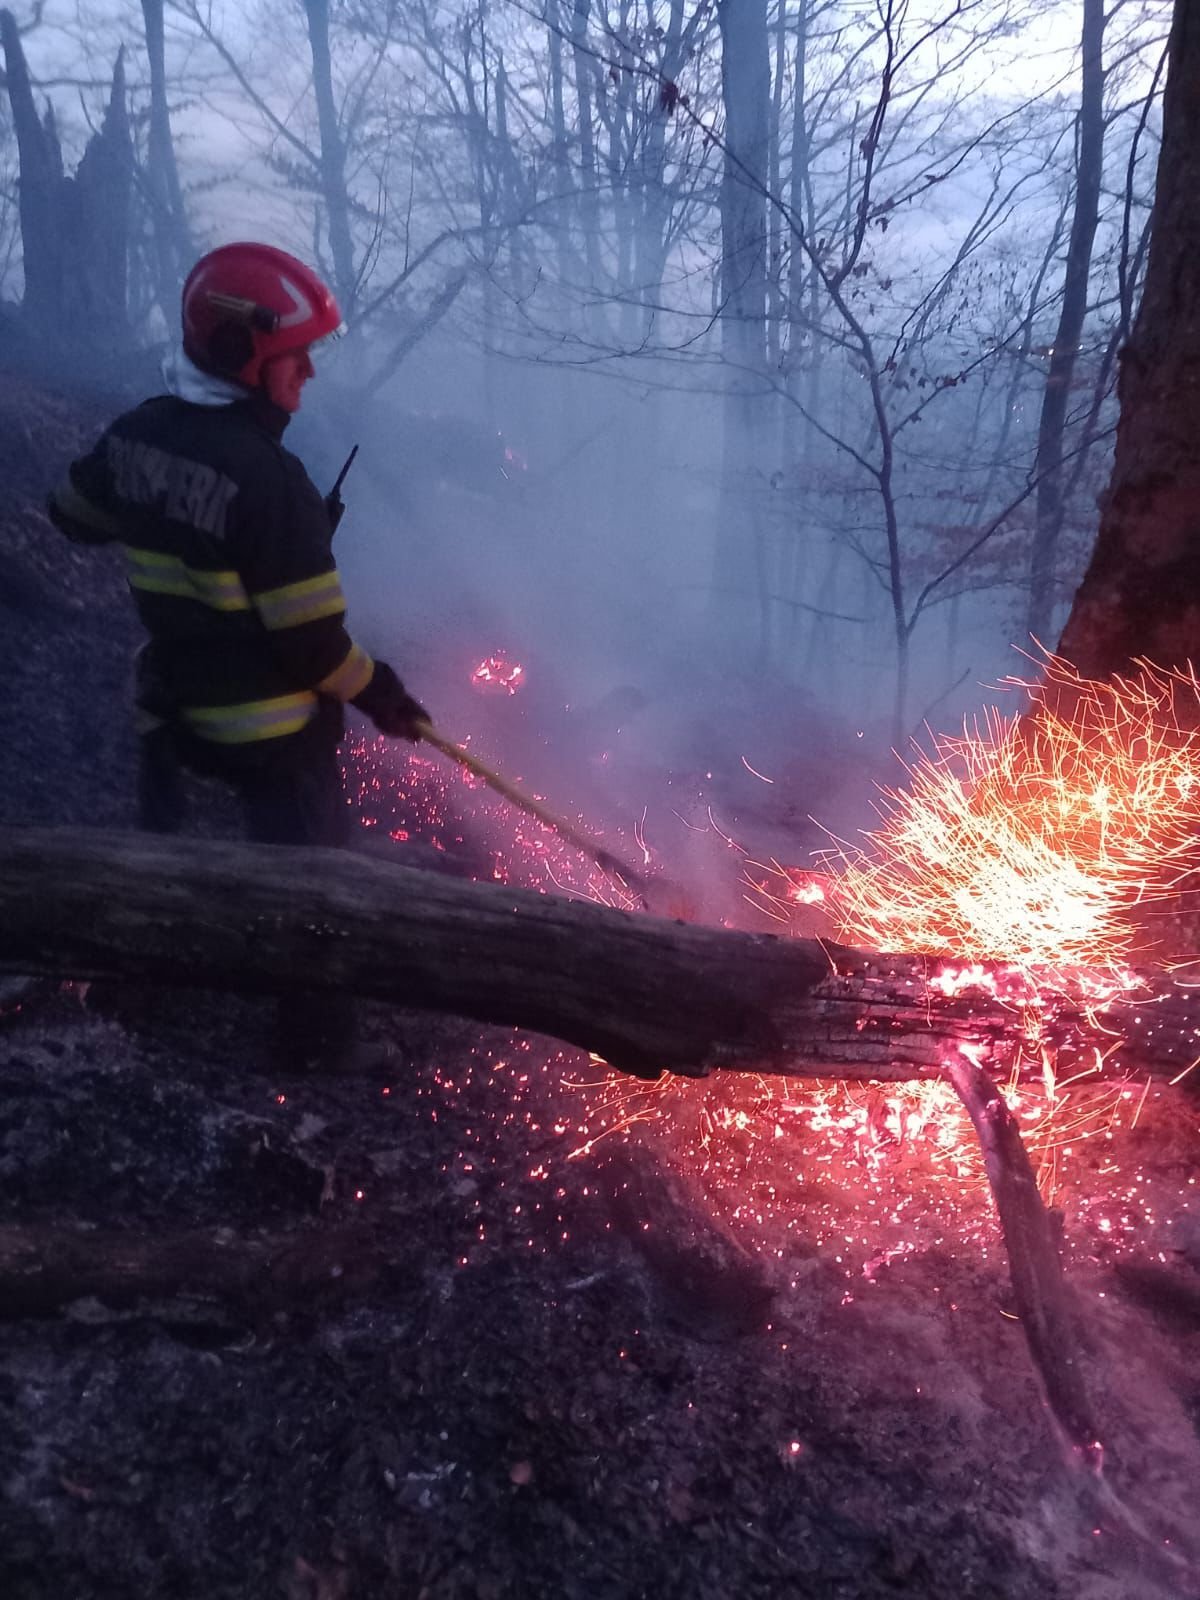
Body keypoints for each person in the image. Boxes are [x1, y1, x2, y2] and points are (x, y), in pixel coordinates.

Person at [48, 241, 429, 1071]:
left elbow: (72, 513)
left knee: (158, 869)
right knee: (318, 891)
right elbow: (314, 648)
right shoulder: (271, 481)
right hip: (270, 734)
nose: (309, 373)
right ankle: (316, 1041)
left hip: (171, 709)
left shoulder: (139, 431)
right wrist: (383, 694)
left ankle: (140, 987)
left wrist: (166, 515)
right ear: (240, 354)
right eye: (297, 356)